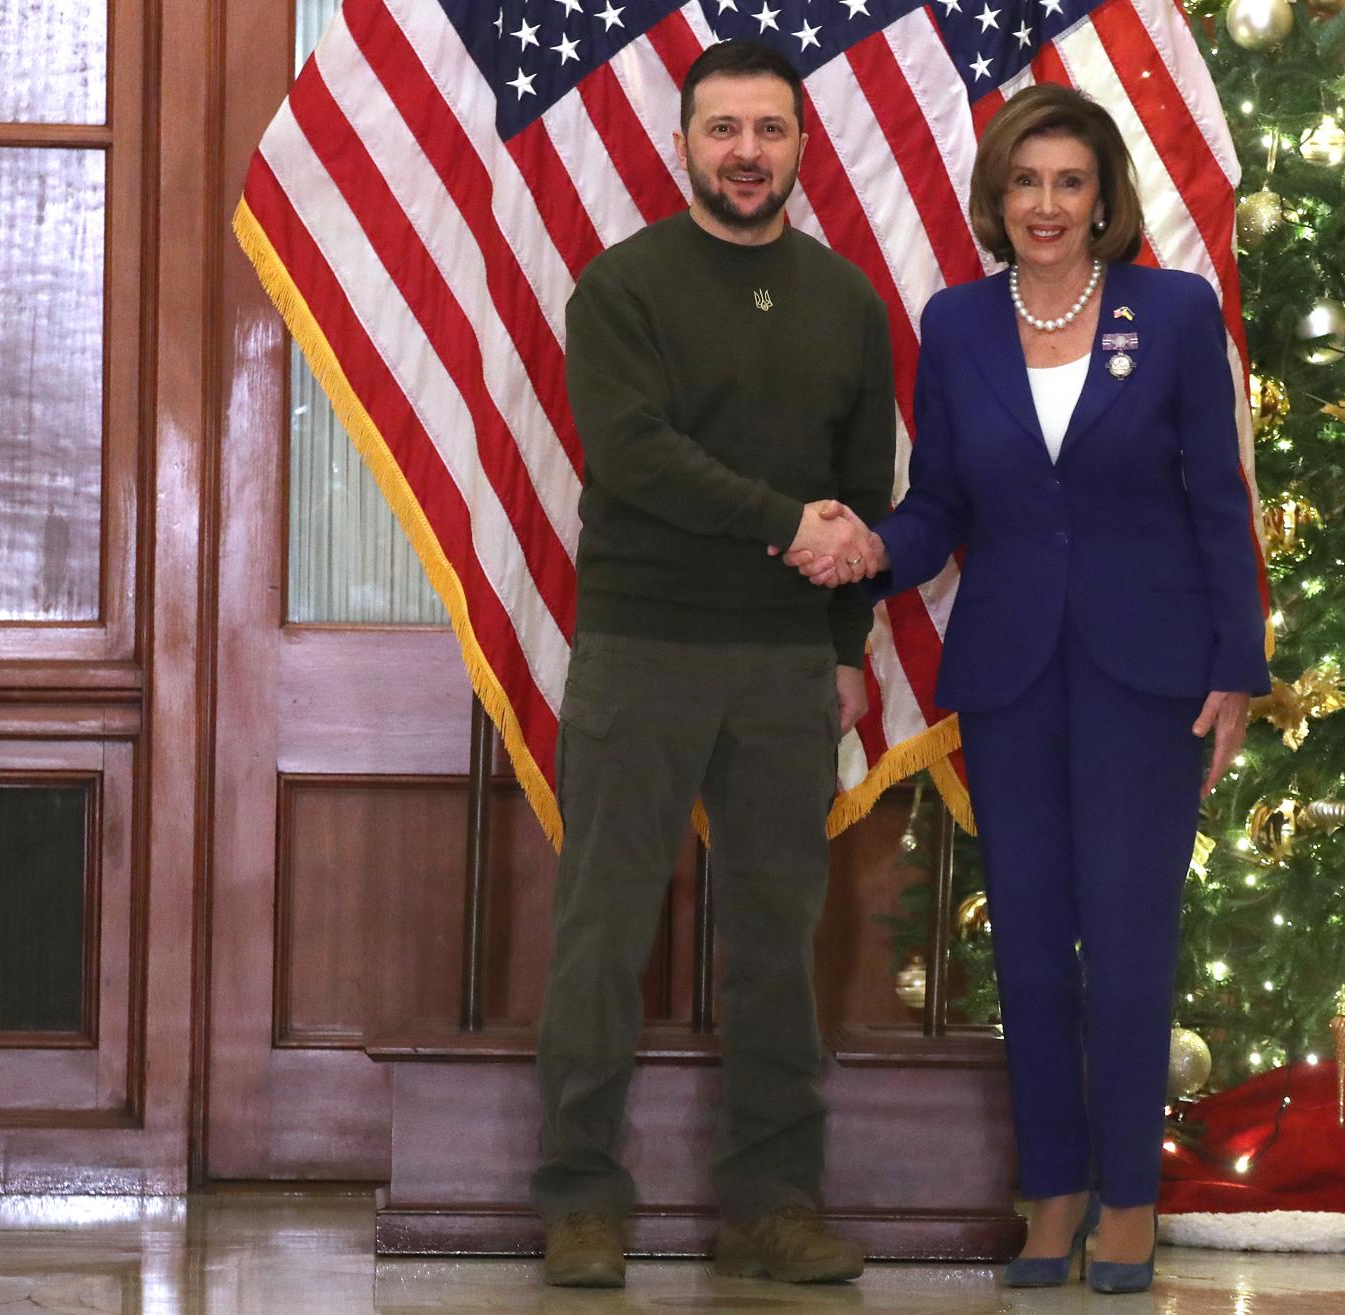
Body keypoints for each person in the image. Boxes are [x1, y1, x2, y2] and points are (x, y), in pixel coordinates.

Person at [786, 85, 1269, 1294]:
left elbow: (1218, 497)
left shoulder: (1172, 310)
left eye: (1068, 183)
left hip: (1149, 674)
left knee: (1128, 934)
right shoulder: (955, 324)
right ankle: (1052, 1195)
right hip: (1008, 671)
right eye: (1025, 184)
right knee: (1035, 953)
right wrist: (871, 545)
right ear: (995, 201)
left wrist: (1238, 667)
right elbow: (944, 500)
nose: (1047, 206)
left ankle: (1131, 1202)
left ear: (1103, 196)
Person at [531, 39, 893, 1289]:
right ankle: (581, 1198)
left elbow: (867, 487)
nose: (747, 152)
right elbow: (633, 455)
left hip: (789, 666)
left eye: (770, 131)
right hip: (643, 649)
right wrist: (788, 523)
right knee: (602, 929)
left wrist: (845, 650)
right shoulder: (621, 287)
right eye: (723, 129)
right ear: (683, 143)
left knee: (778, 940)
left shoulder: (847, 300)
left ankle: (772, 1202)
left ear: (802, 145)